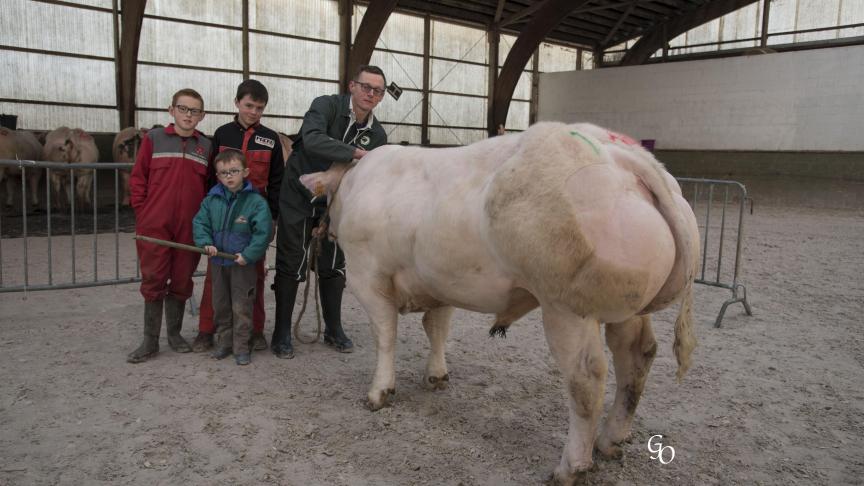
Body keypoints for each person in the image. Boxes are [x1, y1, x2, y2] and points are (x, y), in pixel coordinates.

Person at [271, 65, 389, 359]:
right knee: (291, 260)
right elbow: (311, 138)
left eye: (377, 91)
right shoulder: (326, 106)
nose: (370, 94)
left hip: (338, 203)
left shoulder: (377, 134)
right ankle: (282, 331)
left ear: (381, 96)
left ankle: (333, 328)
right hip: (298, 194)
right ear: (352, 85)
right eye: (365, 87)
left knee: (334, 264)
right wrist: (356, 154)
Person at [191, 79, 284, 353]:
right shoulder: (221, 134)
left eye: (260, 107)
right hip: (222, 216)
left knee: (253, 274)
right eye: (249, 105)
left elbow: (277, 180)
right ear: (237, 103)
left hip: (254, 219)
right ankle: (207, 331)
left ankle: (254, 331)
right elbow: (210, 177)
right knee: (215, 274)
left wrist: (273, 218)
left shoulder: (270, 139)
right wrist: (209, 212)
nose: (254, 112)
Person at [127, 88, 213, 363]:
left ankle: (174, 335)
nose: (189, 115)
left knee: (181, 279)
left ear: (202, 116)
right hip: (155, 224)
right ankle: (150, 340)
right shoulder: (154, 139)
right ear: (171, 110)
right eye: (183, 108)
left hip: (189, 227)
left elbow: (209, 188)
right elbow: (138, 178)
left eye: (195, 110)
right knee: (153, 279)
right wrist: (143, 214)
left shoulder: (206, 147)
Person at [192, 150, 272, 365]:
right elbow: (200, 223)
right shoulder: (211, 199)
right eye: (223, 172)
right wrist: (205, 243)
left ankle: (241, 347)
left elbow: (263, 232)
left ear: (245, 172)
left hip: (242, 264)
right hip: (218, 261)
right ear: (217, 176)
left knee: (242, 306)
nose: (229, 176)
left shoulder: (256, 202)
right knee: (221, 305)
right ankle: (224, 343)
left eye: (234, 171)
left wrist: (249, 255)